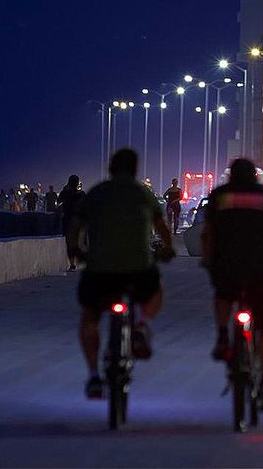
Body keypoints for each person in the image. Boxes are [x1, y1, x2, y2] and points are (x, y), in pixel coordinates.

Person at [69, 148, 174, 399]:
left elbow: (75, 226)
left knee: (90, 316)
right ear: (135, 169)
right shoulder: (143, 193)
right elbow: (162, 227)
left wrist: (75, 251)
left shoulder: (97, 193)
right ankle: (141, 325)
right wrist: (167, 250)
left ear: (110, 168)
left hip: (99, 270)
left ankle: (94, 375)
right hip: (138, 269)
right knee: (155, 290)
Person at [201, 158, 263, 412]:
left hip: (227, 265)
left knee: (223, 294)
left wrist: (208, 260)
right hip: (260, 268)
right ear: (255, 176)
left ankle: (223, 336)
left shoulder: (220, 195)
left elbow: (207, 232)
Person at [58, 175, 86, 271]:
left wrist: (64, 189)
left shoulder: (65, 193)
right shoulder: (81, 194)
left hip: (68, 220)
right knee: (79, 241)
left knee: (69, 243)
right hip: (79, 220)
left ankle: (72, 265)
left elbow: (59, 201)